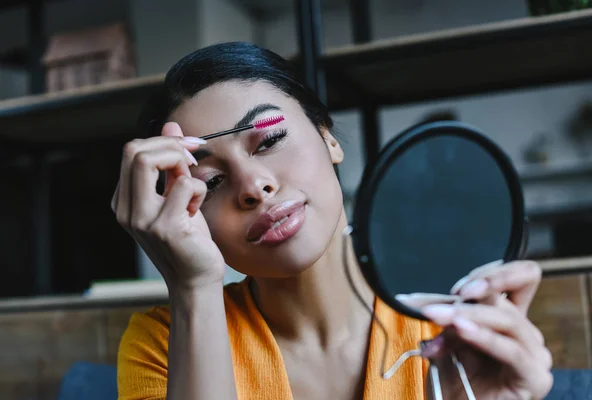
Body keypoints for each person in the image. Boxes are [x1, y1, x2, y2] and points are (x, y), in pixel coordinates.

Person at [113, 42, 553, 400]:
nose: (253, 186)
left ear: (327, 136)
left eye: (270, 140)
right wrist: (193, 288)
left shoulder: (455, 322)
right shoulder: (166, 343)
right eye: (209, 181)